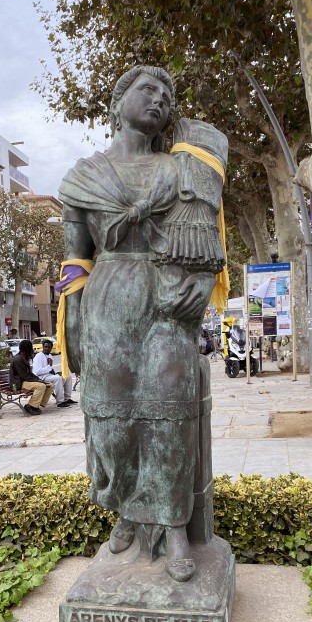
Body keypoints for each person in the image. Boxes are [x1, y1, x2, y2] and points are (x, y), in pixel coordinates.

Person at [59, 65, 227, 583]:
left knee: (170, 417)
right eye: (147, 89)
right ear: (118, 102)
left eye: (166, 95)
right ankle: (129, 510)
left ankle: (175, 527)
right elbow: (76, 260)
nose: (159, 99)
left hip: (169, 300)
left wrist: (204, 281)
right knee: (113, 423)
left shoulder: (182, 169)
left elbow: (204, 239)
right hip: (109, 300)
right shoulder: (83, 176)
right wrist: (72, 320)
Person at [9, 339, 54, 416]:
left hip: (24, 381)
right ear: (27, 349)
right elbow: (25, 376)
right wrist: (39, 382)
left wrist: (38, 379)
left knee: (50, 385)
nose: (32, 350)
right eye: (31, 348)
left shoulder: (24, 357)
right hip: (17, 384)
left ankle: (37, 404)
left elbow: (30, 374)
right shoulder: (17, 360)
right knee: (41, 386)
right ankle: (30, 406)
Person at [32, 339, 76, 408]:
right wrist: (49, 366)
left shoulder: (50, 355)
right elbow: (37, 372)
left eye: (49, 347)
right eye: (45, 347)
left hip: (49, 375)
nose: (47, 349)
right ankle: (60, 402)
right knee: (58, 379)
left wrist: (56, 373)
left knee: (67, 377)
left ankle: (67, 399)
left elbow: (50, 370)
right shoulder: (38, 356)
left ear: (51, 348)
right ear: (42, 347)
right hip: (41, 377)